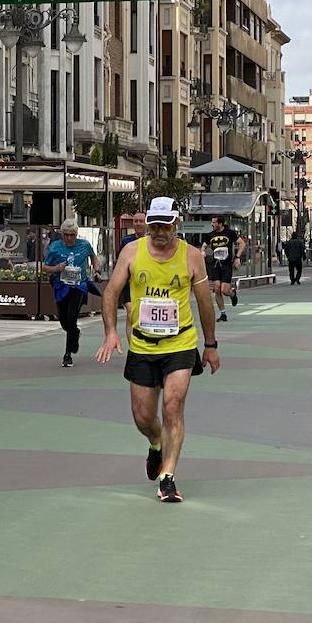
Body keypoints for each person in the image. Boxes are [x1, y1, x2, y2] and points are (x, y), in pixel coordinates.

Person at [96, 196, 220, 504]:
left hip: (179, 342)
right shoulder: (131, 252)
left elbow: (205, 303)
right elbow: (111, 292)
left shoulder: (191, 256)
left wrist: (211, 345)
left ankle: (168, 477)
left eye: (165, 225)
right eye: (154, 225)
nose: (159, 231)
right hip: (142, 344)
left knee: (172, 406)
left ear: (176, 223)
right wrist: (111, 332)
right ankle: (155, 443)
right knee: (143, 417)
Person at [43, 219, 98, 367]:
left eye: (72, 235)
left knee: (72, 316)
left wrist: (96, 269)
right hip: (61, 286)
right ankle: (75, 333)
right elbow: (45, 267)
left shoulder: (84, 245)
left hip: (79, 286)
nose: (69, 238)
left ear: (76, 234)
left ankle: (67, 355)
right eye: (66, 235)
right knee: (63, 319)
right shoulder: (55, 247)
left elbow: (93, 256)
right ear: (62, 234)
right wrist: (56, 268)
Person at [202, 215, 244, 322]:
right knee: (216, 288)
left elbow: (242, 243)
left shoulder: (230, 233)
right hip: (215, 265)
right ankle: (223, 314)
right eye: (212, 222)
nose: (212, 224)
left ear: (220, 224)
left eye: (214, 222)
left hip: (226, 265)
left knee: (224, 290)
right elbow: (204, 246)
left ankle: (232, 293)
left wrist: (237, 257)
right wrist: (202, 252)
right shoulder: (209, 235)